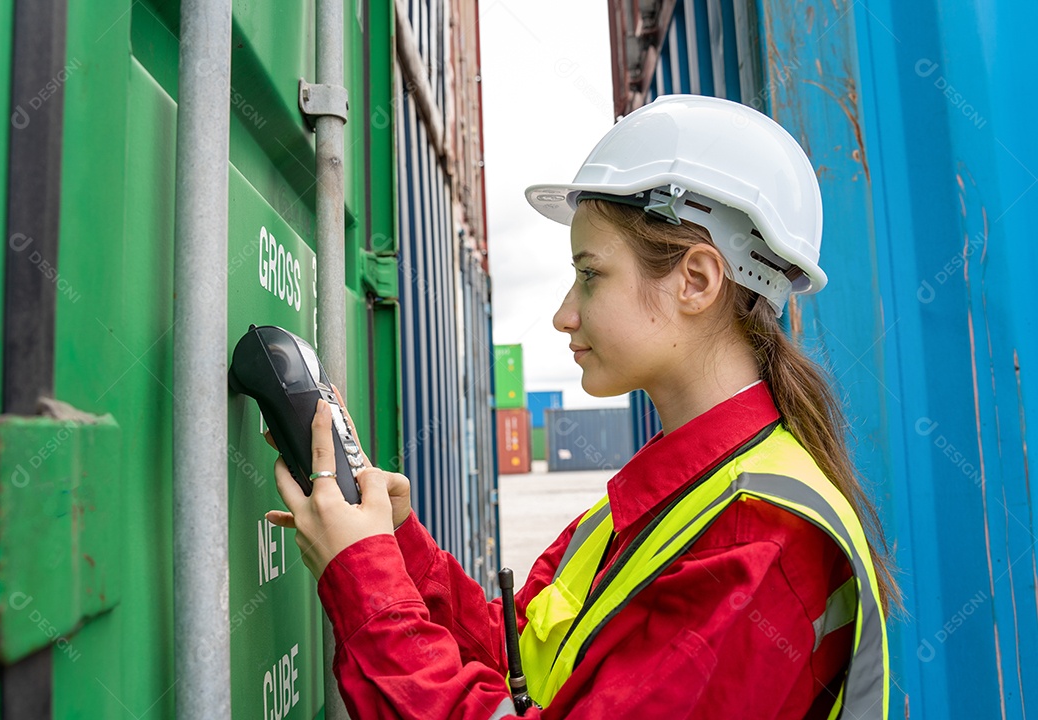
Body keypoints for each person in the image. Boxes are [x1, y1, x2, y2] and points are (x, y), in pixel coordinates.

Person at [265, 95, 899, 719]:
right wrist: (397, 547)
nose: (563, 314)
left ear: (697, 281)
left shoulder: (759, 541)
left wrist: (364, 582)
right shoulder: (674, 502)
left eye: (590, 274)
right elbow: (523, 664)